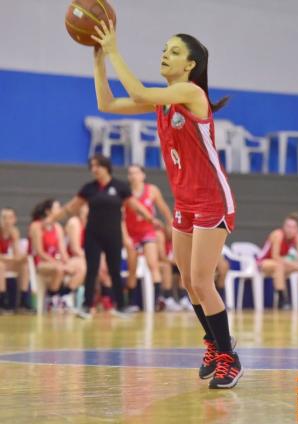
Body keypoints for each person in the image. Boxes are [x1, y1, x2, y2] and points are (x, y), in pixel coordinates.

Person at [91, 23, 242, 389]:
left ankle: (229, 358)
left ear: (190, 65)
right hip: (185, 202)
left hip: (211, 200)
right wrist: (98, 59)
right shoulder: (164, 102)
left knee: (204, 281)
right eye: (165, 48)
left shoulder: (190, 92)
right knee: (189, 281)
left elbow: (138, 89)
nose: (165, 54)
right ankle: (214, 344)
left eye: (174, 51)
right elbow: (107, 103)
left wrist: (114, 50)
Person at [52, 155, 159, 319]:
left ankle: (121, 306)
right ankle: (87, 306)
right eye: (92, 167)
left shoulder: (120, 187)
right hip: (93, 235)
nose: (95, 170)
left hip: (113, 235)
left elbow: (135, 206)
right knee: (92, 269)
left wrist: (151, 219)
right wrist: (53, 218)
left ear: (106, 167)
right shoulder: (89, 188)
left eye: (98, 166)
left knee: (115, 270)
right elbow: (71, 207)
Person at [124, 164, 173, 311]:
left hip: (147, 232)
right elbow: (121, 216)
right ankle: (132, 303)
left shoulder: (152, 190)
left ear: (143, 175)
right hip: (132, 235)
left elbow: (164, 208)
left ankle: (156, 300)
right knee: (132, 269)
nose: (133, 176)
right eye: (130, 173)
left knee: (153, 264)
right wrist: (125, 236)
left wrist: (170, 224)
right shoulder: (125, 193)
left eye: (136, 173)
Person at [29, 199, 85, 310]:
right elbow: (40, 252)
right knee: (59, 268)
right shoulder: (36, 226)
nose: (60, 210)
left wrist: (67, 262)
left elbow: (62, 251)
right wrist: (58, 263)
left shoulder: (58, 227)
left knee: (82, 267)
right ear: (48, 211)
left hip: (56, 261)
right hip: (41, 263)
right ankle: (51, 299)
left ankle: (64, 295)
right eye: (57, 208)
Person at [257, 212, 298, 309]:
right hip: (264, 263)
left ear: (297, 229)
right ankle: (282, 300)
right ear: (283, 226)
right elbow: (275, 256)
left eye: (292, 227)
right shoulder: (277, 234)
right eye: (287, 226)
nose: (289, 229)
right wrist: (294, 265)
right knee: (280, 265)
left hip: (281, 265)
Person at [0, 207, 30, 312]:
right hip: (2, 264)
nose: (7, 221)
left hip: (6, 261)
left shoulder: (14, 232)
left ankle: (23, 302)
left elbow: (17, 255)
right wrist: (13, 259)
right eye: (4, 218)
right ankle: (2, 302)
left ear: (14, 219)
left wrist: (22, 257)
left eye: (10, 218)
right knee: (1, 266)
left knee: (24, 266)